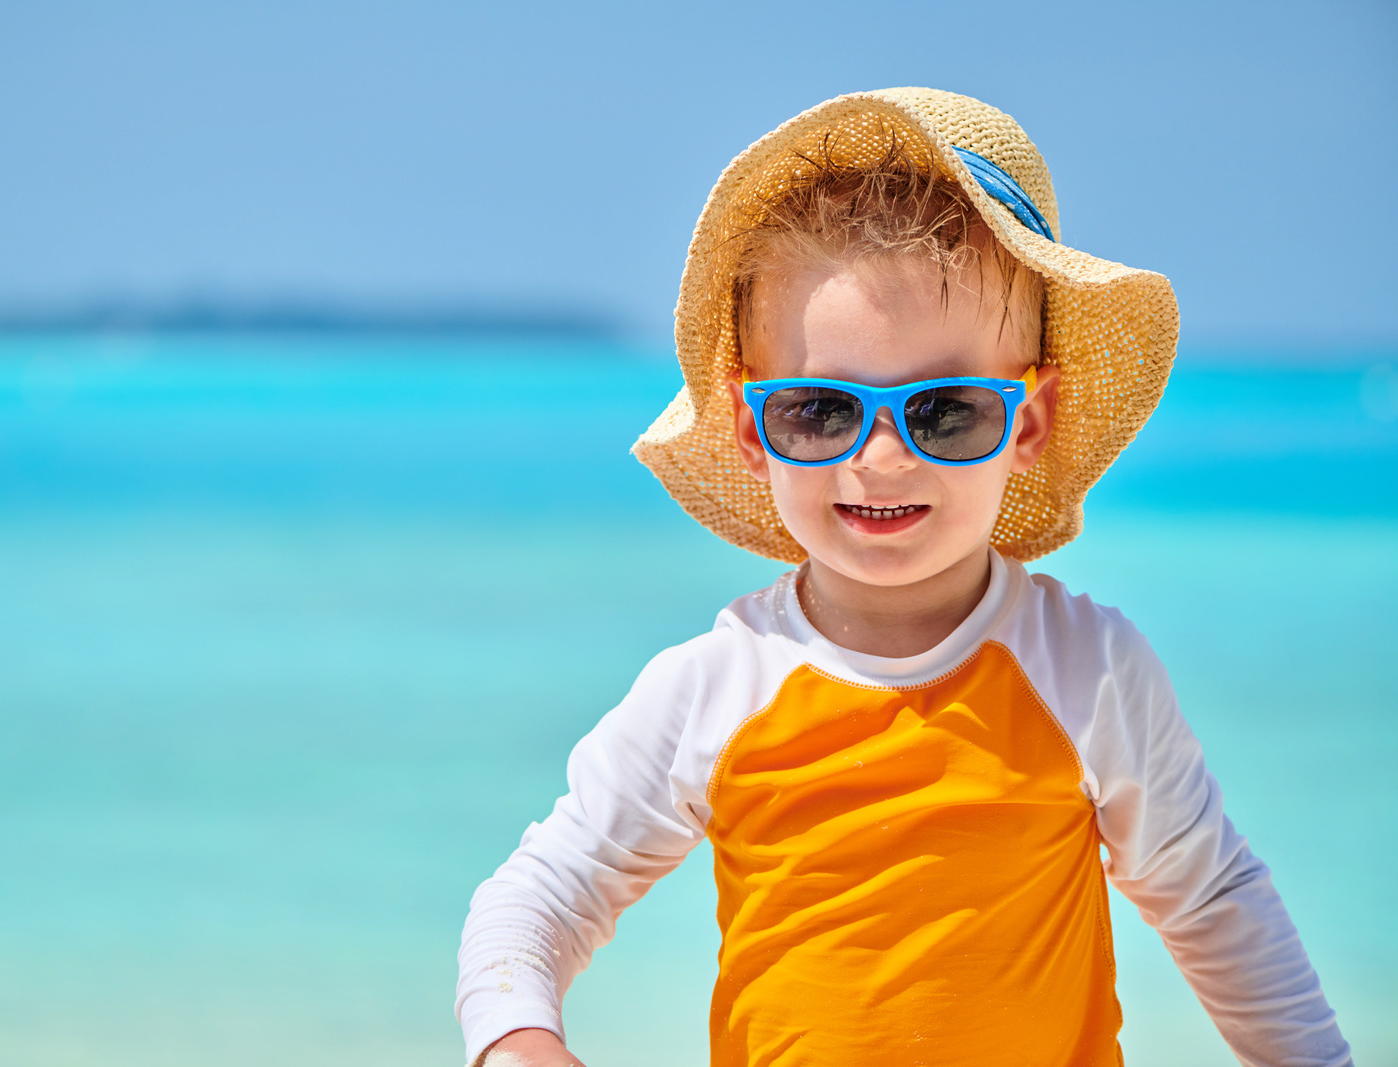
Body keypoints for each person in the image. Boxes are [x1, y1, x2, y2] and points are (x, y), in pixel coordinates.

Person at [454, 89, 1351, 1067]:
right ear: (754, 430)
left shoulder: (1086, 667)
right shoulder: (715, 687)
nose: (879, 459)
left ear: (1029, 424)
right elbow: (536, 895)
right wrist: (516, 1039)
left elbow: (1212, 898)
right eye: (819, 412)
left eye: (945, 413)